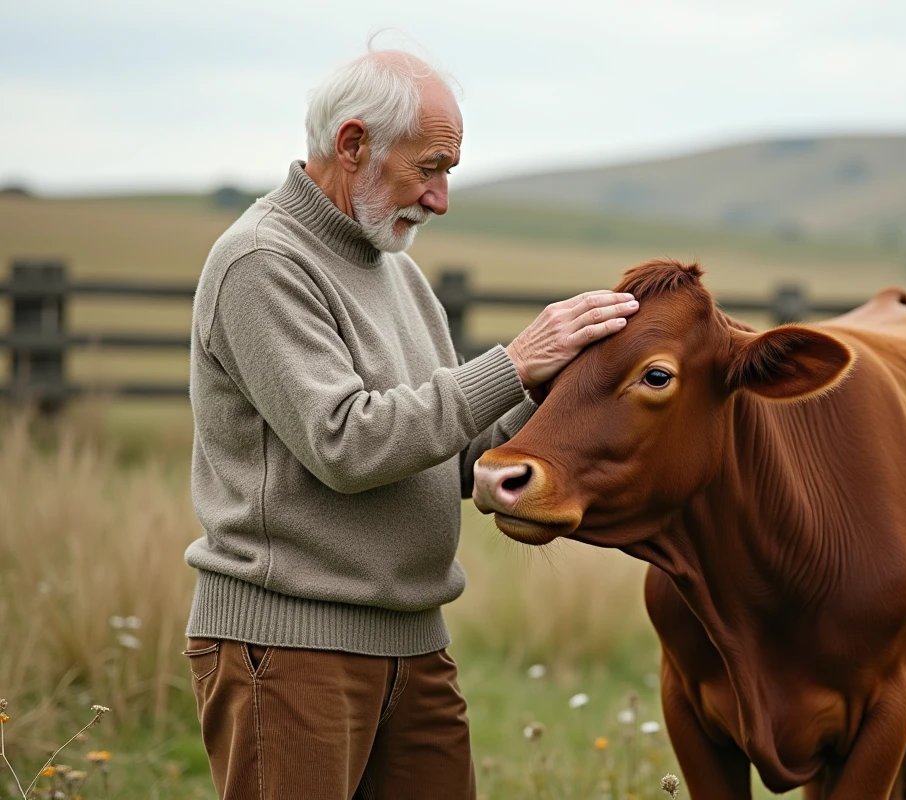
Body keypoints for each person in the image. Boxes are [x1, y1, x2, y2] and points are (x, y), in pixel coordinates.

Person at [182, 45, 639, 799]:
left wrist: (565, 379)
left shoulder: (394, 267)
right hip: (288, 648)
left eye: (447, 173)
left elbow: (452, 453)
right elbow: (347, 443)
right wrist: (513, 362)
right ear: (353, 143)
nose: (439, 199)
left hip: (416, 646)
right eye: (430, 167)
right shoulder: (262, 262)